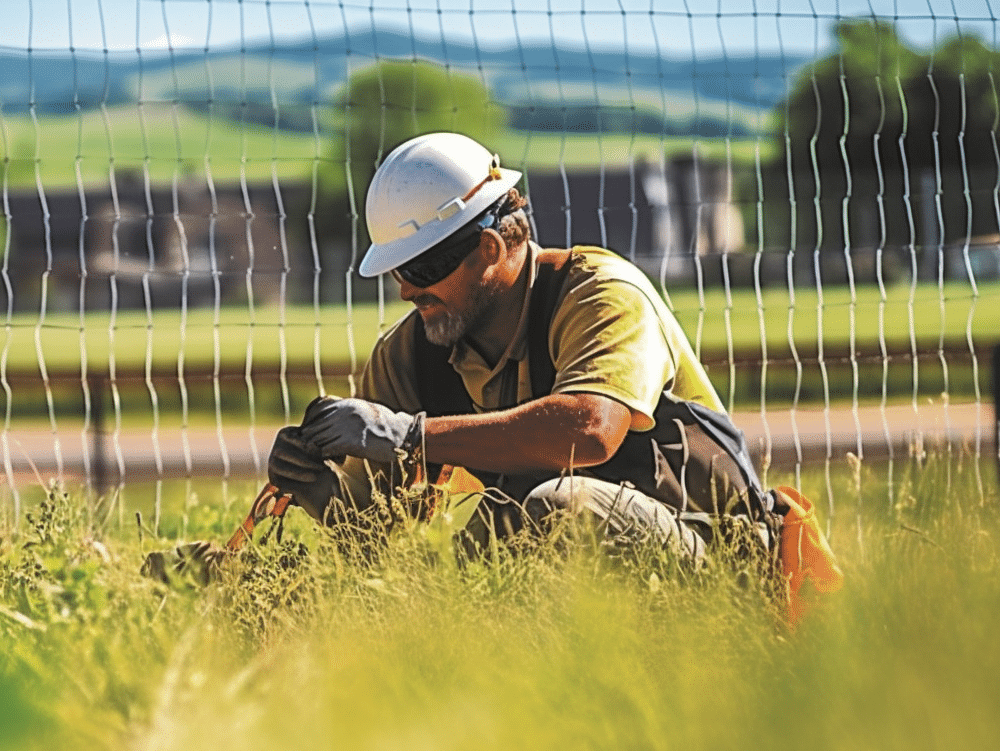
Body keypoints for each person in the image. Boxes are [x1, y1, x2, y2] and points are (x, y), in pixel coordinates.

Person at [267, 132, 774, 562]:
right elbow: (371, 538)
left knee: (561, 507)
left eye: (422, 270)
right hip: (568, 570)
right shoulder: (410, 354)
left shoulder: (602, 294)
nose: (405, 290)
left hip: (716, 553)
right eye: (398, 271)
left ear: (489, 250)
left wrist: (408, 435)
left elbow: (590, 430)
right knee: (482, 546)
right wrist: (317, 488)